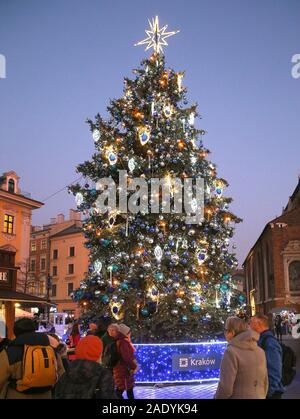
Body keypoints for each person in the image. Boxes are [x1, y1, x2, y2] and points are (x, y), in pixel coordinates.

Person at [0, 318, 60, 399]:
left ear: (15, 332)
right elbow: (61, 373)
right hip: (46, 395)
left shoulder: (10, 352)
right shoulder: (50, 350)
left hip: (17, 395)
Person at [215, 316, 268, 399]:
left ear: (231, 332)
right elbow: (265, 383)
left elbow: (225, 388)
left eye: (225, 330)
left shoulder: (231, 352)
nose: (224, 333)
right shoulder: (260, 351)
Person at [250, 313, 285, 399]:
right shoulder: (261, 339)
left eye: (251, 323)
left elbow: (275, 372)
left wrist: (267, 393)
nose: (249, 325)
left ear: (259, 324)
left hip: (271, 393)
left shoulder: (269, 342)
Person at [108, 323, 138, 399]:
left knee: (128, 389)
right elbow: (127, 357)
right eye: (129, 332)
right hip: (123, 370)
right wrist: (134, 366)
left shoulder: (119, 341)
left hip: (122, 369)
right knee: (120, 390)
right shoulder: (123, 342)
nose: (130, 334)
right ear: (124, 333)